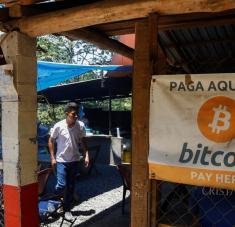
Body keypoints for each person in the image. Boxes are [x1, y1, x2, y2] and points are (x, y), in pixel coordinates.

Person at [48, 102, 89, 220]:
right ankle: (52, 201)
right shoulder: (58, 126)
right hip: (61, 160)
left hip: (75, 160)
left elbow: (83, 141)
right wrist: (52, 158)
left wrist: (87, 155)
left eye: (77, 114)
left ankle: (67, 210)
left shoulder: (80, 126)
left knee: (71, 187)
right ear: (67, 114)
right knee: (62, 184)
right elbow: (51, 141)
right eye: (73, 114)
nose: (76, 117)